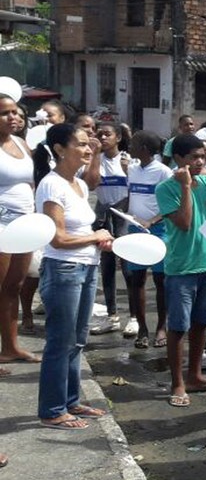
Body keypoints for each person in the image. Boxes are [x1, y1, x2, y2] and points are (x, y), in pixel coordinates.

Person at [34, 123, 114, 429]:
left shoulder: (78, 184)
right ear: (59, 150)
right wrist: (96, 238)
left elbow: (81, 232)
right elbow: (57, 239)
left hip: (86, 266)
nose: (88, 149)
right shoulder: (51, 185)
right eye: (81, 144)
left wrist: (98, 239)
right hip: (63, 269)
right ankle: (52, 410)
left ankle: (70, 400)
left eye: (89, 144)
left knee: (77, 340)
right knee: (60, 340)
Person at [156, 133, 206, 408]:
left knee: (201, 324)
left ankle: (195, 375)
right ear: (179, 159)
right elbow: (185, 222)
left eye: (203, 156)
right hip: (181, 267)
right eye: (194, 157)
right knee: (178, 327)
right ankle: (178, 382)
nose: (200, 161)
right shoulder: (166, 188)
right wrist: (186, 187)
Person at [124, 131, 171, 349]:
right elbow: (131, 197)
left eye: (133, 144)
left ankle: (162, 326)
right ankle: (142, 328)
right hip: (135, 229)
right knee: (137, 279)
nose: (129, 147)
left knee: (161, 281)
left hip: (159, 229)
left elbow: (172, 203)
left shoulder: (163, 172)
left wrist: (152, 221)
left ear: (143, 148)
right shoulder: (132, 169)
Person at [0, 97, 37, 366]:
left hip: (24, 225)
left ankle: (11, 347)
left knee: (15, 286)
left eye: (15, 112)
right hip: (1, 224)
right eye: (4, 114)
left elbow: (30, 182)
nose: (13, 117)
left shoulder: (22, 144)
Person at [89, 122, 130, 337]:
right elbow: (91, 184)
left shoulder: (129, 160)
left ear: (118, 137)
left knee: (128, 267)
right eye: (100, 134)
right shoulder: (95, 160)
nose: (103, 138)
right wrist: (95, 156)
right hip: (103, 216)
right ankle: (112, 315)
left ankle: (133, 317)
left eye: (108, 134)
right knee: (106, 267)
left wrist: (128, 171)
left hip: (124, 217)